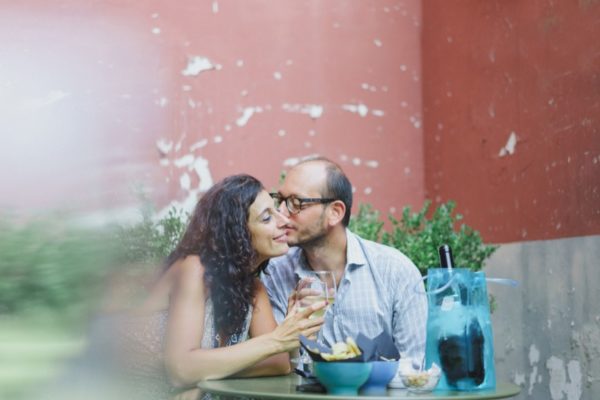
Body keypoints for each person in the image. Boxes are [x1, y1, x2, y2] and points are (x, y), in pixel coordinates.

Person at [114, 174, 325, 399]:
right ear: (237, 234)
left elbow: (280, 363)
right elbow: (181, 370)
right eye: (266, 218)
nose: (284, 220)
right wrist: (276, 340)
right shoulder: (194, 269)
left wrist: (205, 375)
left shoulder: (253, 289)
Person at [261, 157, 427, 363]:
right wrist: (290, 335)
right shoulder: (274, 273)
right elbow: (279, 368)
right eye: (281, 201)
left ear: (335, 212)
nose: (282, 214)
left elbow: (415, 366)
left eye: (296, 203)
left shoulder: (394, 270)